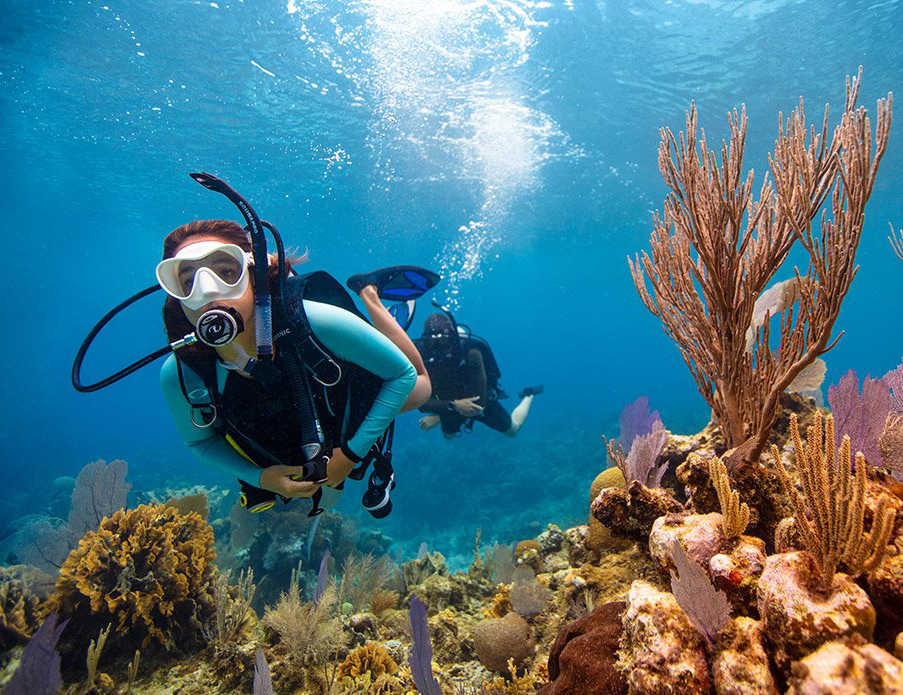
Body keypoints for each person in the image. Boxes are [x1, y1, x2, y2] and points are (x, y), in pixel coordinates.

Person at [158, 218, 439, 517]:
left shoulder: (317, 320)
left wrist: (350, 454)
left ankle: (369, 294)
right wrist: (261, 478)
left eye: (227, 272)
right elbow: (201, 442)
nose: (207, 291)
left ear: (254, 276)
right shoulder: (182, 374)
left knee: (421, 387)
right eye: (187, 282)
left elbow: (402, 375)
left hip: (345, 395)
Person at [414, 310, 542, 438]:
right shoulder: (420, 354)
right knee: (449, 436)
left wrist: (440, 416)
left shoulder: (471, 352)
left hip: (479, 400)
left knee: (513, 430)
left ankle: (528, 395)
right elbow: (417, 400)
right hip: (450, 404)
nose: (438, 347)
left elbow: (480, 402)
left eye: (443, 341)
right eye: (432, 342)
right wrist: (452, 407)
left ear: (453, 337)